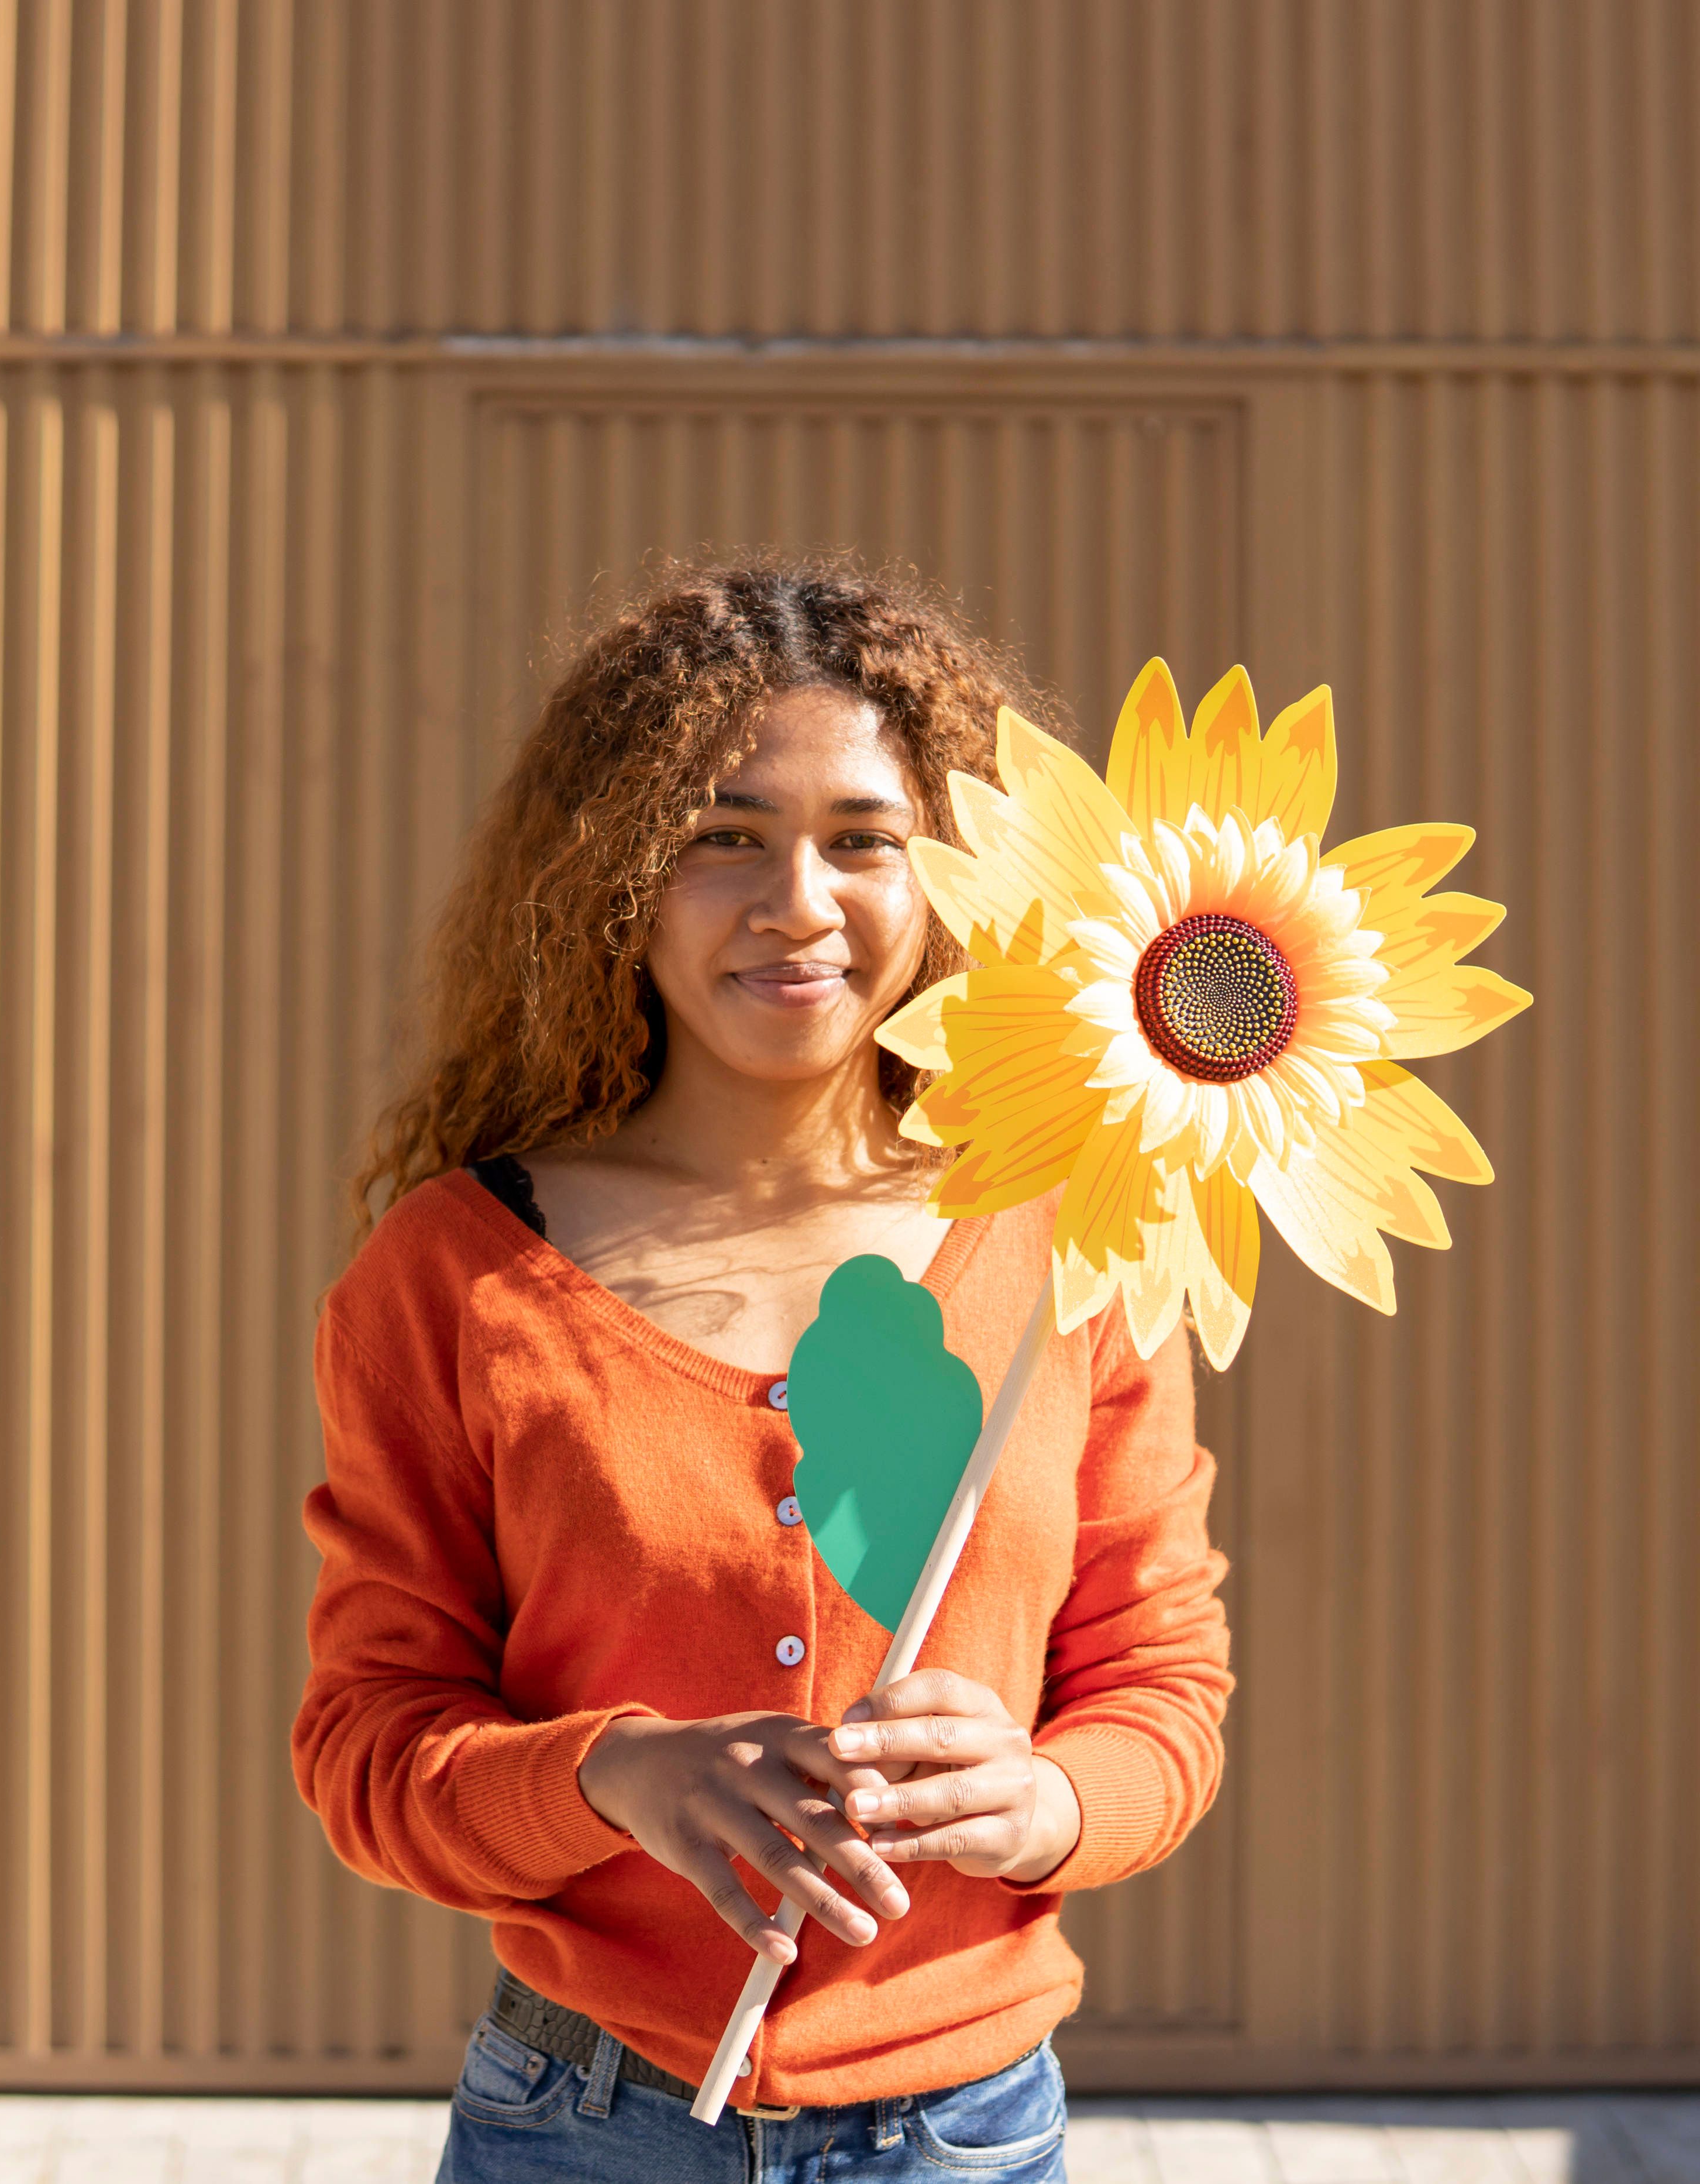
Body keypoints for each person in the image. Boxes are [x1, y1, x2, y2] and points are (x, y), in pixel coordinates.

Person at [292, 560, 1233, 2182]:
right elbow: (369, 1752)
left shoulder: (1078, 1238)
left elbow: (1166, 1687)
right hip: (581, 2131)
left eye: (864, 839)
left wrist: (1051, 1803)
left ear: (952, 874)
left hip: (972, 2139)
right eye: (725, 837)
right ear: (618, 874)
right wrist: (615, 1774)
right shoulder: (450, 1278)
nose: (799, 901)